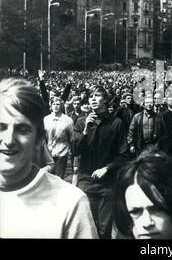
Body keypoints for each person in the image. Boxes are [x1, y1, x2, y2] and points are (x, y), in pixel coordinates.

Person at [0, 78, 98, 238]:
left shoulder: (71, 203)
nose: (9, 140)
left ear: (39, 139)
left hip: (61, 155)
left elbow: (72, 139)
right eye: (1, 127)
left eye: (22, 129)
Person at [73, 85, 130, 239]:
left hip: (108, 184)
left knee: (104, 230)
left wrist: (107, 168)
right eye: (91, 96)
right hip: (86, 182)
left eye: (97, 96)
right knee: (86, 229)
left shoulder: (117, 123)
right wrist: (85, 131)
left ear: (105, 100)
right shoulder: (80, 121)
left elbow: (124, 155)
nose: (93, 99)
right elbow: (75, 151)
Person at [43, 96, 74, 179]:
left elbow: (71, 137)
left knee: (58, 178)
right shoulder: (46, 119)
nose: (55, 106)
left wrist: (70, 150)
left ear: (61, 106)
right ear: (51, 105)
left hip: (61, 153)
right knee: (48, 178)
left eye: (58, 104)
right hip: (48, 153)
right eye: (53, 104)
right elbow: (43, 137)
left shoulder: (68, 120)